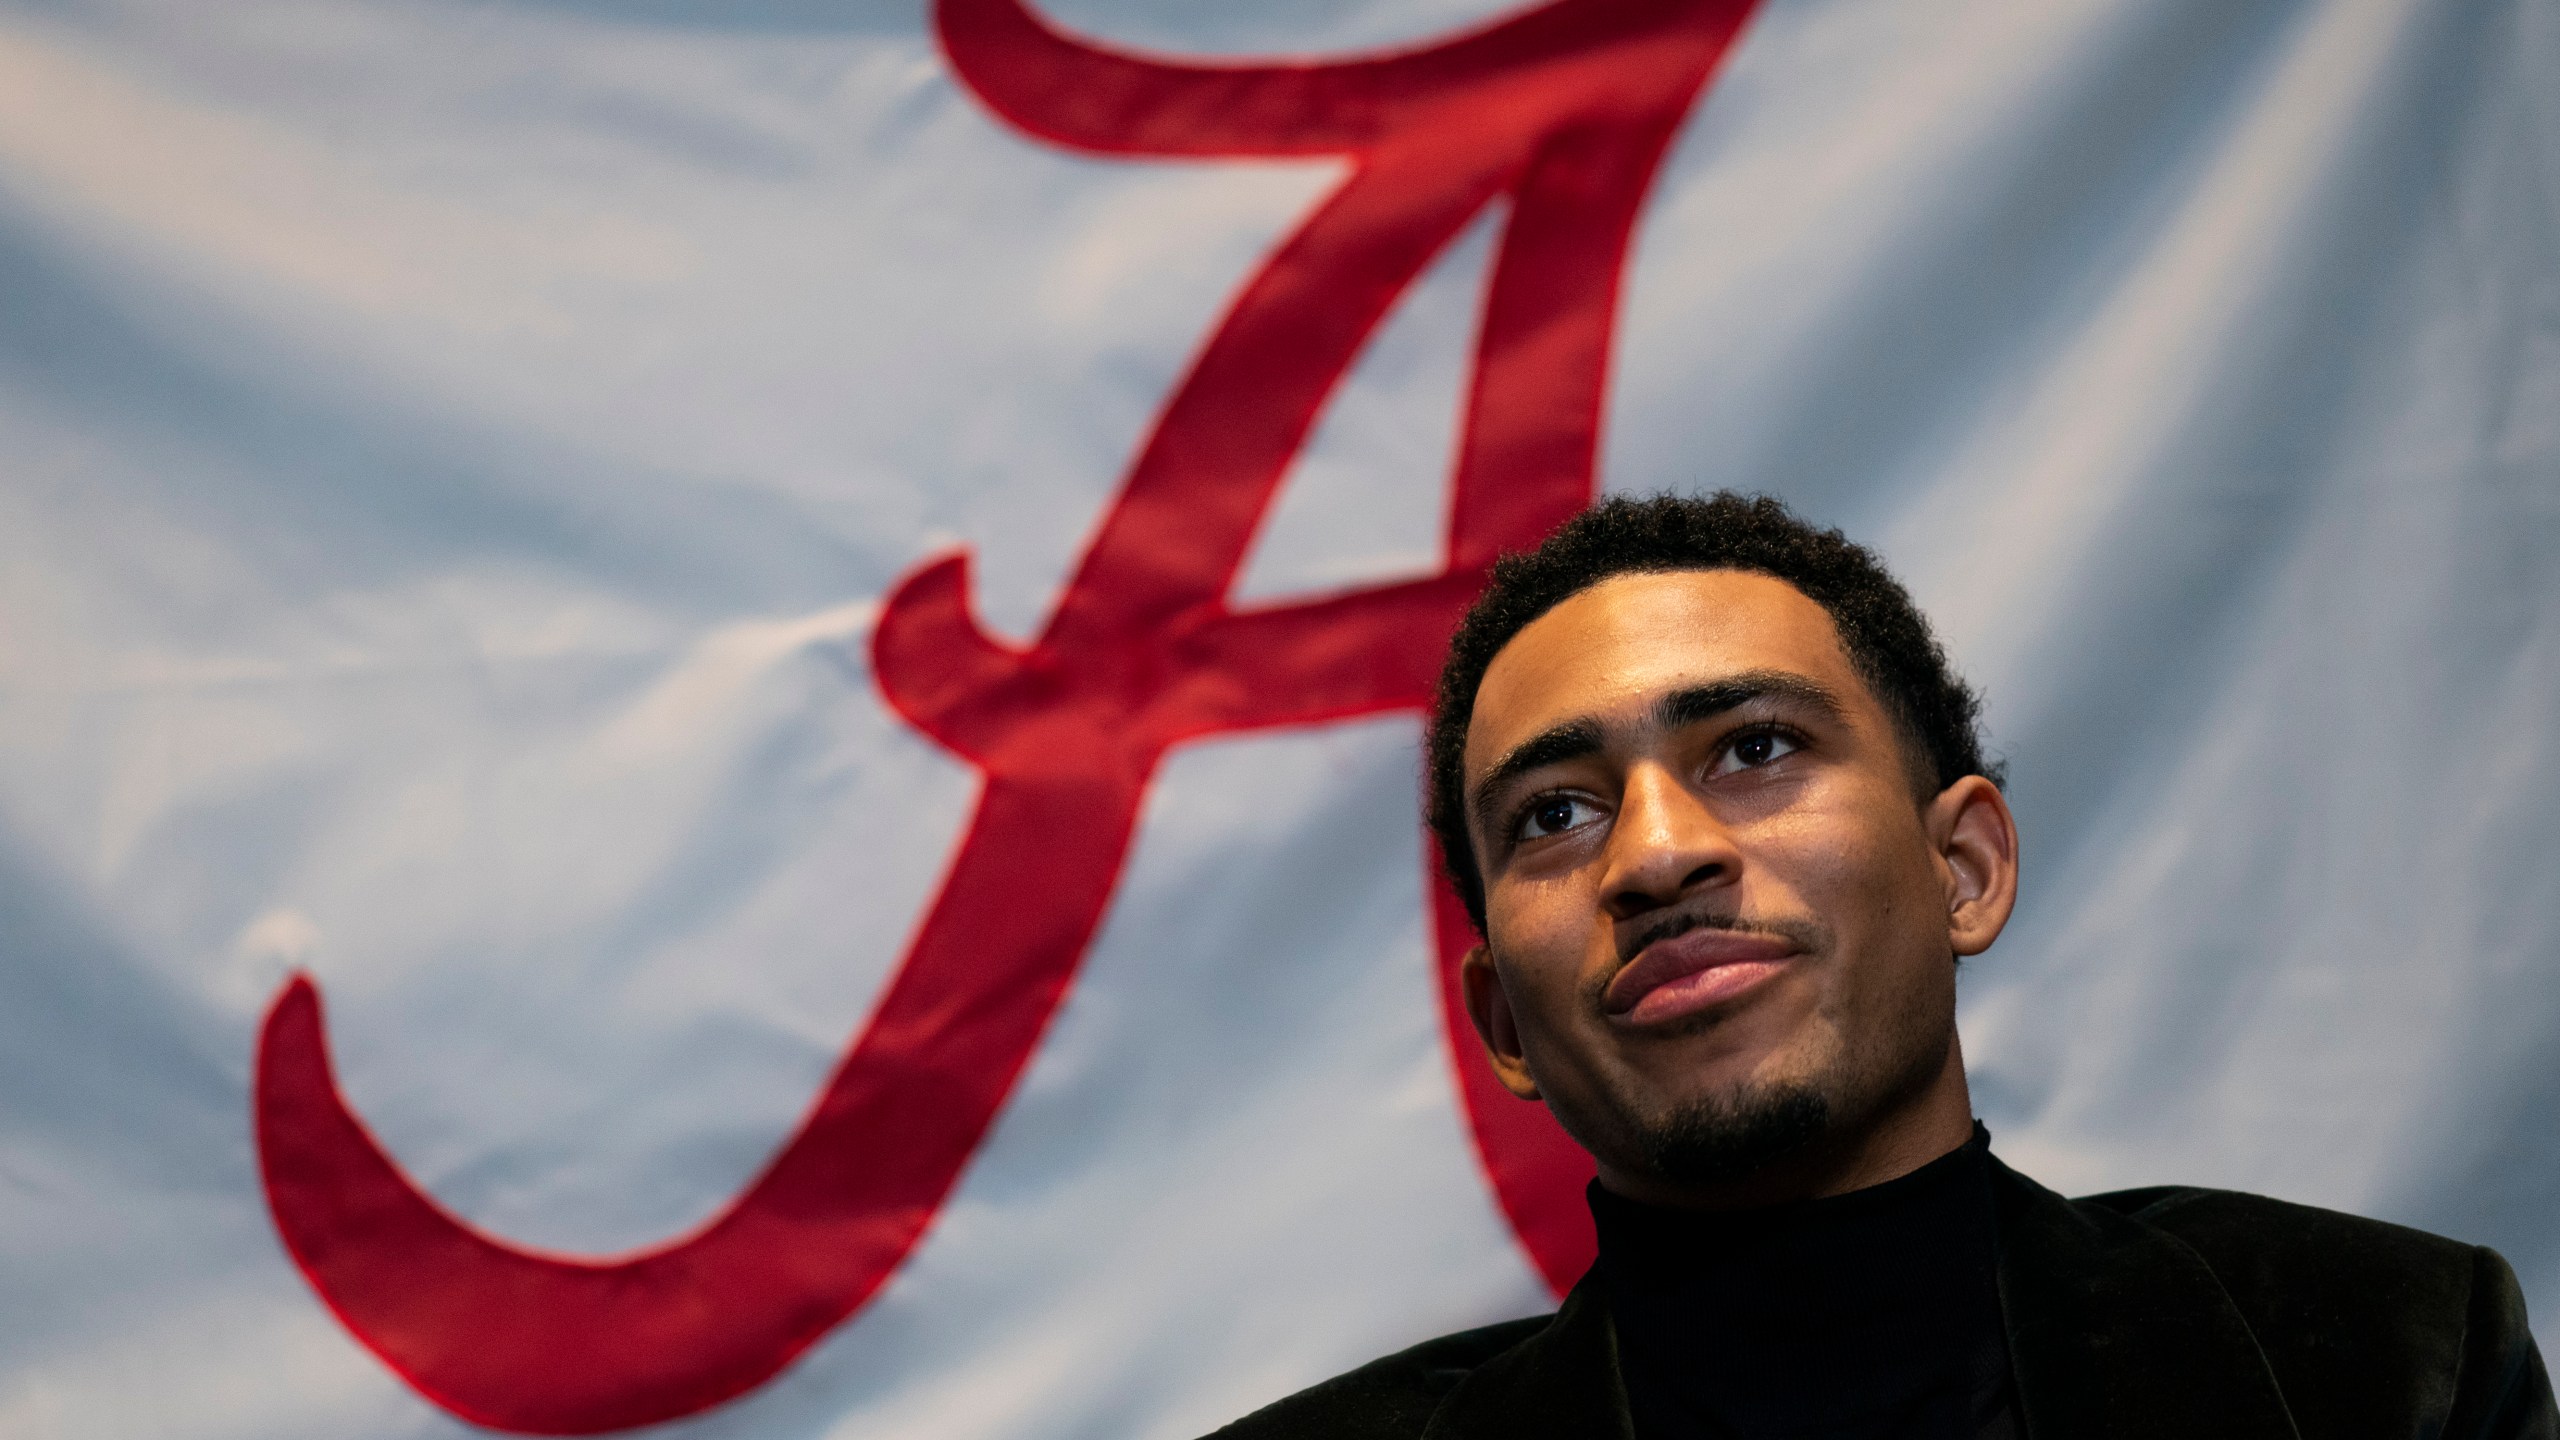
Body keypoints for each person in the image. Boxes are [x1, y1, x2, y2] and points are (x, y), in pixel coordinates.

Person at [1210, 493, 2556, 1440]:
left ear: (1963, 868)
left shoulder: (2392, 1359)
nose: (1657, 855)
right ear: (1504, 1024)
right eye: (1555, 812)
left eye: (1752, 748)